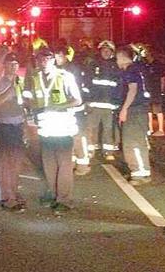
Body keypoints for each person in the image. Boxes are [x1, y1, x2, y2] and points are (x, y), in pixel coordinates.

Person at [29, 46, 82, 211]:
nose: (43, 62)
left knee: (64, 165)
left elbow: (77, 100)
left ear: (53, 60)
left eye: (47, 59)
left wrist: (56, 107)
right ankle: (53, 194)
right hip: (45, 128)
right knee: (49, 165)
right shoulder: (34, 77)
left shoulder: (65, 76)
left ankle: (64, 199)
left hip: (63, 128)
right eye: (40, 59)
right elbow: (30, 99)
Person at [0, 52, 27, 211]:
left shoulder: (21, 81)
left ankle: (14, 191)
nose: (13, 67)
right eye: (10, 63)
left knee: (17, 162)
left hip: (18, 125)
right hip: (4, 126)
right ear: (4, 65)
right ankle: (7, 198)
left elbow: (25, 102)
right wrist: (11, 88)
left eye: (16, 64)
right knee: (5, 164)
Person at [116, 44, 152, 184]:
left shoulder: (130, 71)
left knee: (132, 142)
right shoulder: (137, 69)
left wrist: (124, 109)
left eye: (117, 58)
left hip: (134, 109)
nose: (116, 61)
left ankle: (139, 173)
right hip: (139, 109)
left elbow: (132, 90)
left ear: (122, 57)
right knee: (136, 141)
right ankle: (141, 171)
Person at [57, 43, 91, 175]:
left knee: (78, 136)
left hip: (76, 108)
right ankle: (71, 162)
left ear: (66, 56)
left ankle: (83, 164)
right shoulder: (59, 69)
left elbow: (75, 89)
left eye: (60, 56)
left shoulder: (72, 69)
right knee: (68, 135)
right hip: (66, 108)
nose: (57, 58)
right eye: (56, 56)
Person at [85, 40, 120, 162]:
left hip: (110, 104)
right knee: (91, 127)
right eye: (104, 50)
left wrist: (117, 102)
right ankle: (90, 150)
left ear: (112, 52)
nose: (106, 52)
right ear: (100, 51)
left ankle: (108, 151)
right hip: (94, 103)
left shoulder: (116, 66)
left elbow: (119, 85)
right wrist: (87, 100)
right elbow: (87, 83)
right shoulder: (93, 64)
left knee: (108, 128)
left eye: (108, 50)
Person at [143, 45, 165, 136]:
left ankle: (161, 129)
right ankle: (150, 129)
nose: (145, 54)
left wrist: (161, 90)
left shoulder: (157, 64)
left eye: (146, 52)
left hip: (155, 90)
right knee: (148, 110)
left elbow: (162, 78)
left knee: (157, 110)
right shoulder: (145, 64)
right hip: (147, 90)